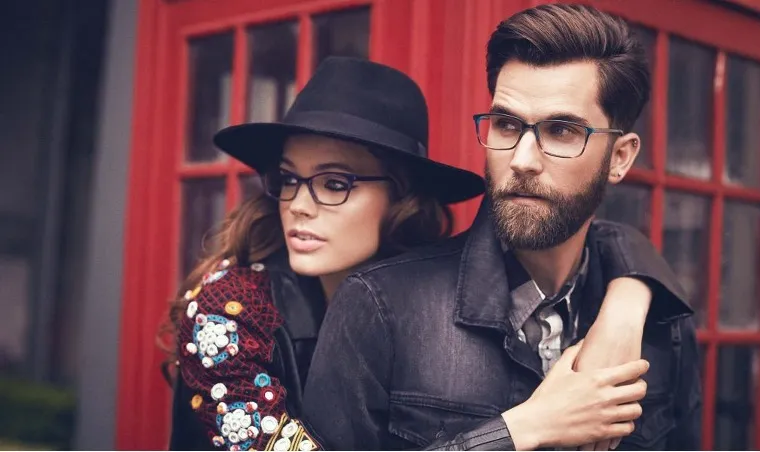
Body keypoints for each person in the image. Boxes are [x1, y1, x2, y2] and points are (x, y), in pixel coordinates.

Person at [166, 57, 690, 451]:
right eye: (289, 180)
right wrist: (526, 427)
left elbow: (585, 230)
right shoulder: (228, 310)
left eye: (334, 183)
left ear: (401, 199)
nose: (299, 206)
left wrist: (630, 296)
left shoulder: (417, 285)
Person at [300, 5, 702, 451]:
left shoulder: (660, 325)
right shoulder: (380, 306)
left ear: (621, 157)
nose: (522, 159)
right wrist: (513, 435)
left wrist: (634, 294)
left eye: (562, 130)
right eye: (507, 124)